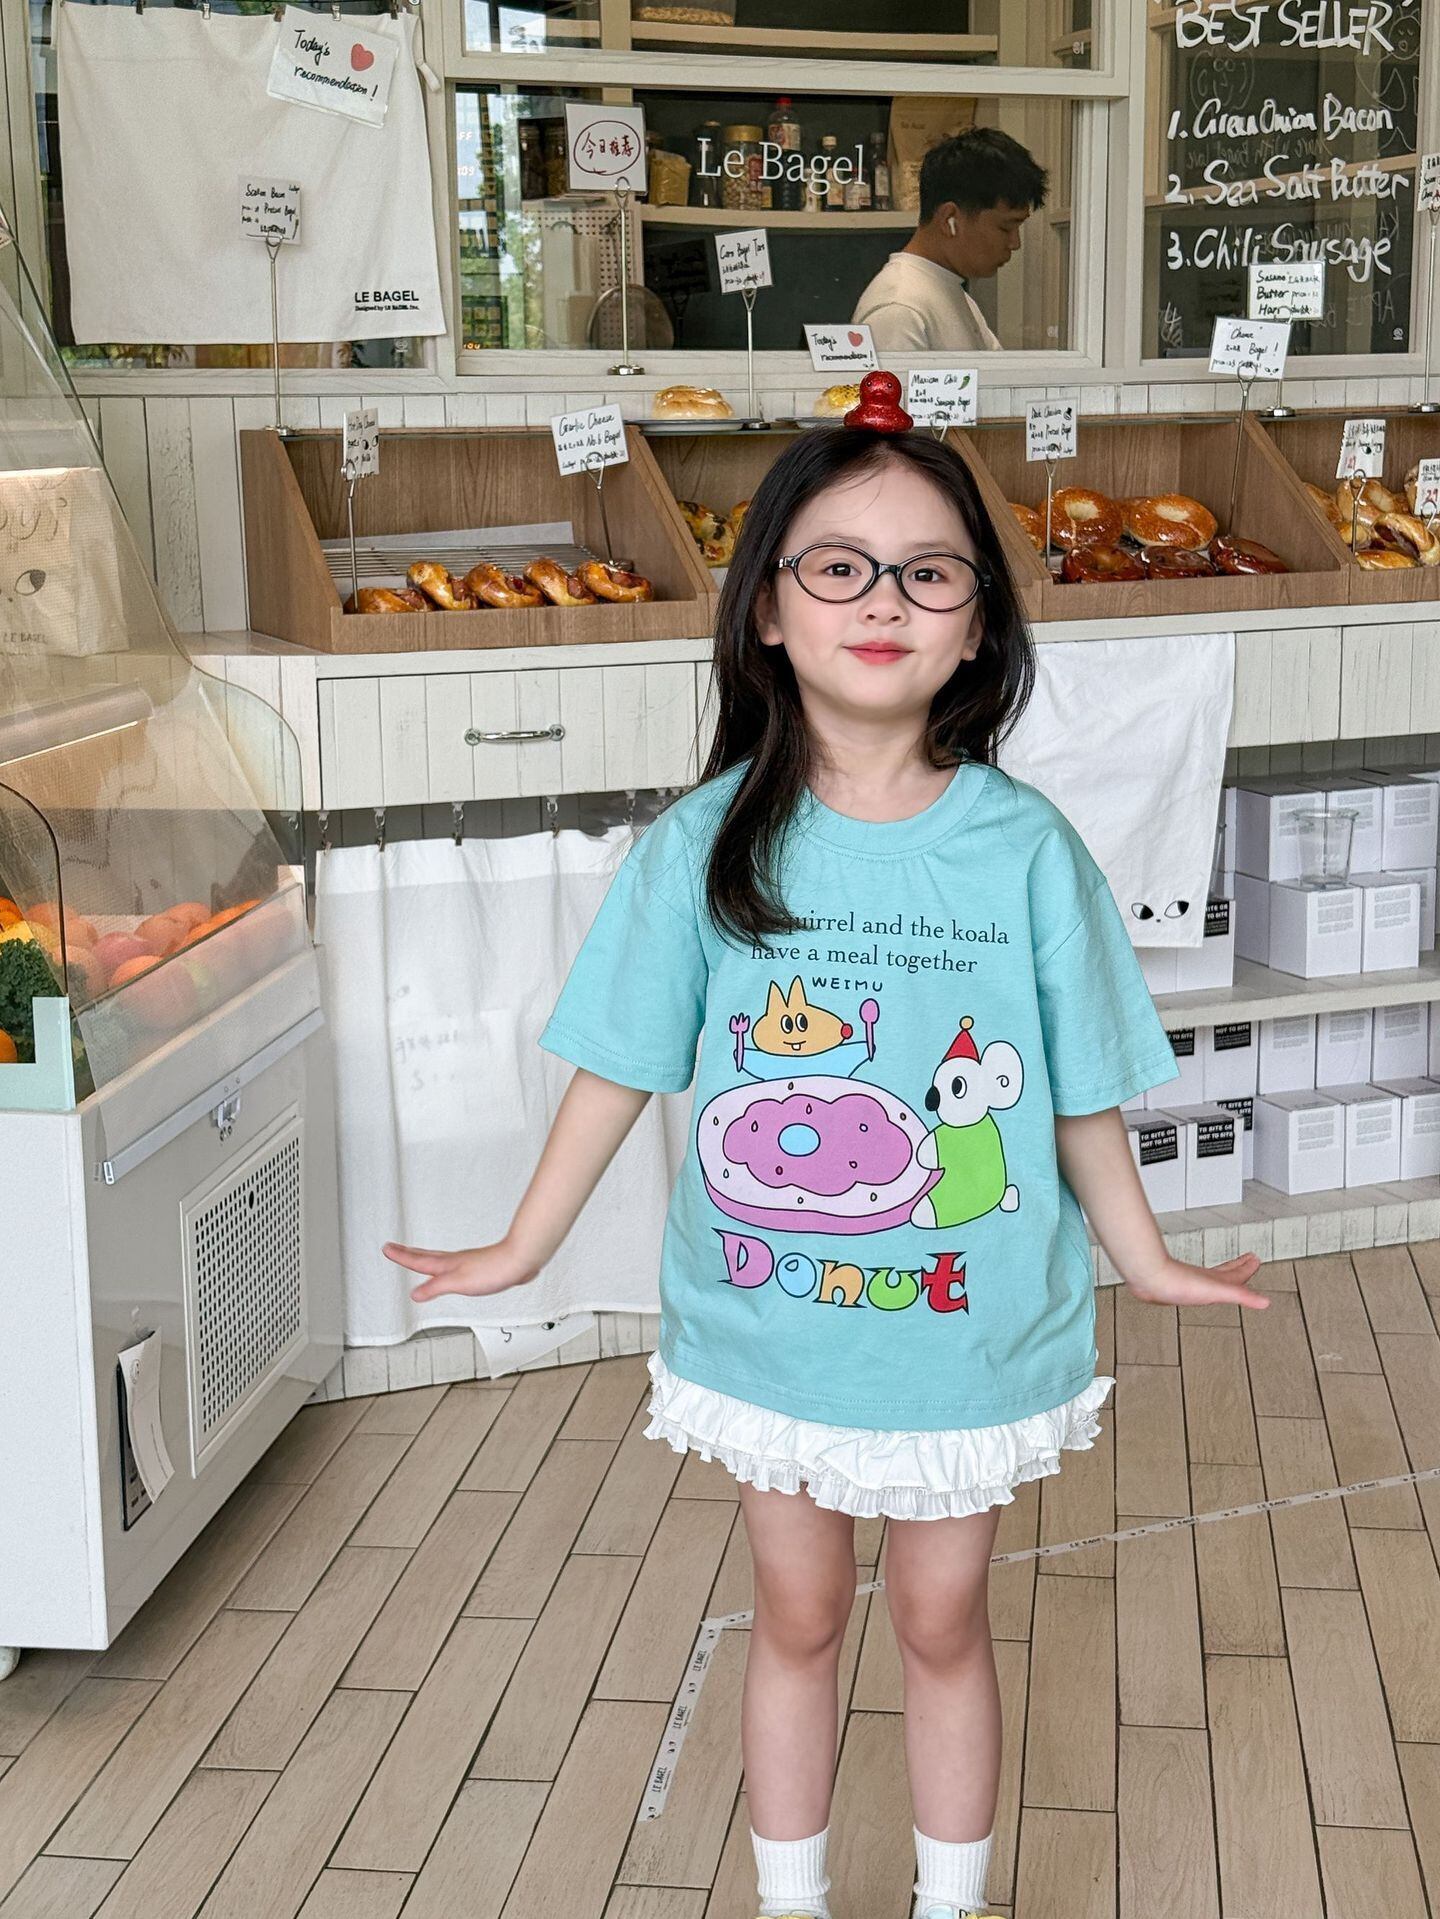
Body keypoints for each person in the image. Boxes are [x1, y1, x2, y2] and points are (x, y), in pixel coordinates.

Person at [383, 381, 1270, 1919]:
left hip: (965, 1332)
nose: (884, 600)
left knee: (942, 1619)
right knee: (794, 1617)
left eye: (929, 571)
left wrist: (1145, 1256)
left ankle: (948, 1901)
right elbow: (618, 1064)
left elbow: (1077, 1090)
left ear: (979, 627)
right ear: (767, 611)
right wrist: (521, 1244)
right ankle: (790, 1900)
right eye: (839, 565)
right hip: (772, 1329)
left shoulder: (1026, 847)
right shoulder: (703, 841)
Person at [852, 128, 1048, 353]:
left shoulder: (948, 290)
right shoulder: (899, 311)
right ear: (949, 219)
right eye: (1005, 228)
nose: (1015, 243)